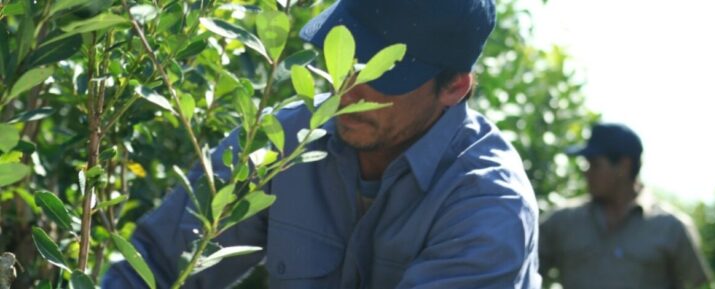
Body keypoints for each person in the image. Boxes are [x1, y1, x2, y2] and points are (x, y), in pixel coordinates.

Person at [103, 0, 541, 288]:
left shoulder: (490, 206)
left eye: (382, 74)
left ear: (454, 87)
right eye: (342, 56)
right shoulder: (283, 141)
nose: (347, 87)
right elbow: (157, 264)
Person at [539, 123, 712, 289]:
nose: (586, 172)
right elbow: (521, 273)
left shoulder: (671, 228)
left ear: (623, 166)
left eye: (595, 164)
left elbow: (698, 286)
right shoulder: (561, 222)